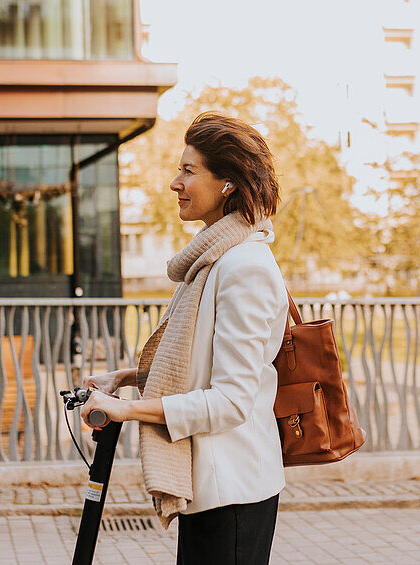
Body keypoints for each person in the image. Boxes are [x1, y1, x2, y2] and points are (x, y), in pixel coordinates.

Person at [79, 112, 287, 565]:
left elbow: (231, 400)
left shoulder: (243, 267)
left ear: (228, 183)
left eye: (189, 171)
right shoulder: (212, 262)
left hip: (234, 489)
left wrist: (129, 410)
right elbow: (200, 363)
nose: (176, 182)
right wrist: (128, 376)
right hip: (207, 482)